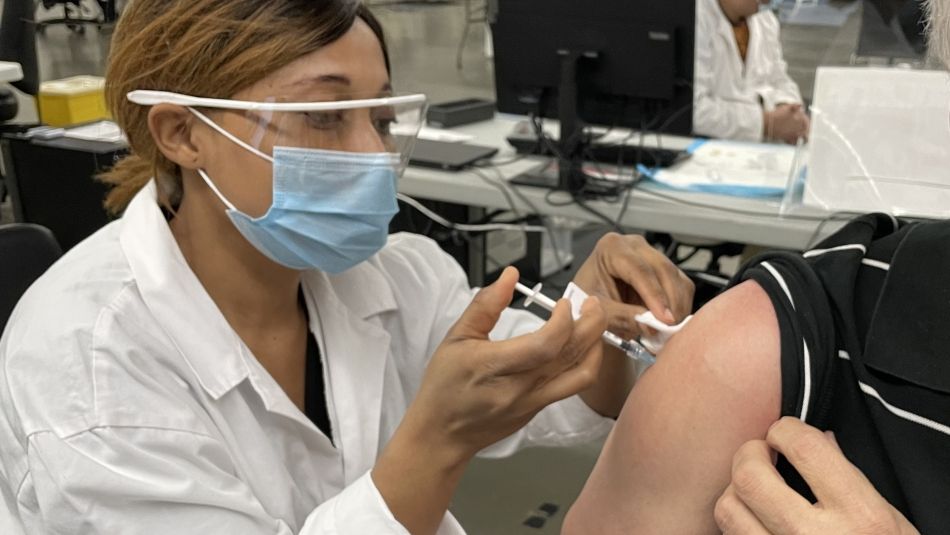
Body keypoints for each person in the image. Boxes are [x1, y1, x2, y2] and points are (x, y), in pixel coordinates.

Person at [0, 1, 695, 534]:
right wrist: (434, 444)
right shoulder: (89, 366)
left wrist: (600, 325)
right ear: (184, 134)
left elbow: (554, 400)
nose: (371, 156)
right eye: (326, 116)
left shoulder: (389, 274)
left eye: (381, 119)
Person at [564, 0, 950, 531]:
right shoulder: (759, 344)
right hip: (710, 164)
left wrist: (783, 113)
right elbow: (695, 109)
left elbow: (781, 83)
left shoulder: (762, 24)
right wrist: (764, 119)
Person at [693, 0, 810, 144]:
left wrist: (789, 110)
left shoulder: (764, 20)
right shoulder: (696, 19)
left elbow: (779, 78)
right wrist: (766, 123)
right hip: (709, 148)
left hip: (764, 148)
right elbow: (694, 109)